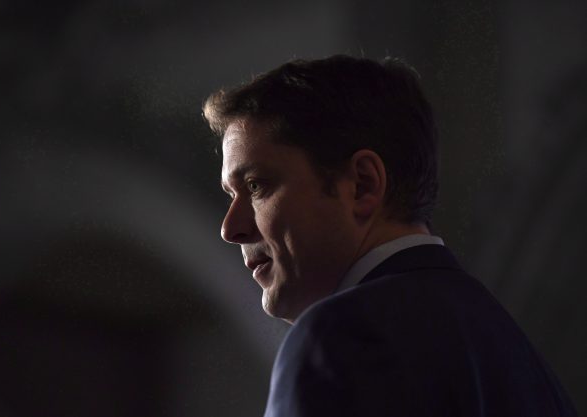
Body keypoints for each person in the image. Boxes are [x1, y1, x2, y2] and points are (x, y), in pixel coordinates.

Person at [203, 55, 577, 417]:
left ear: (362, 184)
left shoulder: (338, 339)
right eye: (230, 195)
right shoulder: (518, 357)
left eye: (256, 186)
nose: (230, 229)